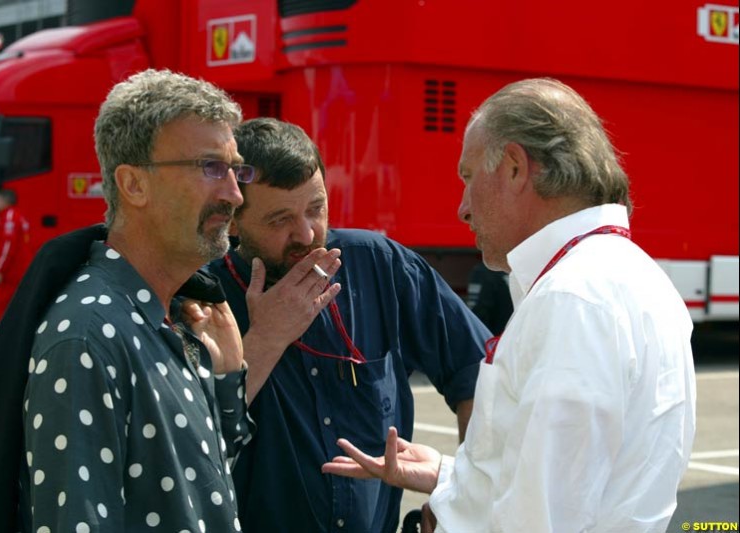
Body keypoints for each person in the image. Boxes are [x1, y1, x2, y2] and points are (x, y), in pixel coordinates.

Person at [322, 78, 697, 533]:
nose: (462, 207)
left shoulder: (572, 298)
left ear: (516, 167)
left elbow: (542, 516)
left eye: (468, 176)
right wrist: (449, 476)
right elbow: (568, 481)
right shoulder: (632, 277)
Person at [203, 117, 491, 533]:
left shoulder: (379, 264)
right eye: (279, 219)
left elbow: (479, 375)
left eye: (316, 208)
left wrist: (464, 497)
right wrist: (265, 339)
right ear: (233, 220)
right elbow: (189, 436)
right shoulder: (205, 297)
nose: (305, 232)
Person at [14, 69, 255, 532]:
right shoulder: (87, 337)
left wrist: (226, 379)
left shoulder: (170, 316)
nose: (234, 194)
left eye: (234, 169)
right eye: (210, 168)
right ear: (133, 184)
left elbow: (201, 489)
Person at [0, 188, 31, 319]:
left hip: (11, 273)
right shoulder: (19, 216)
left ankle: (3, 338)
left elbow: (8, 246)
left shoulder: (9, 217)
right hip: (20, 271)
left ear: (3, 200)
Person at [466, 261, 513, 335]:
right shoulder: (519, 271)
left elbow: (476, 311)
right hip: (508, 335)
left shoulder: (482, 272)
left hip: (494, 338)